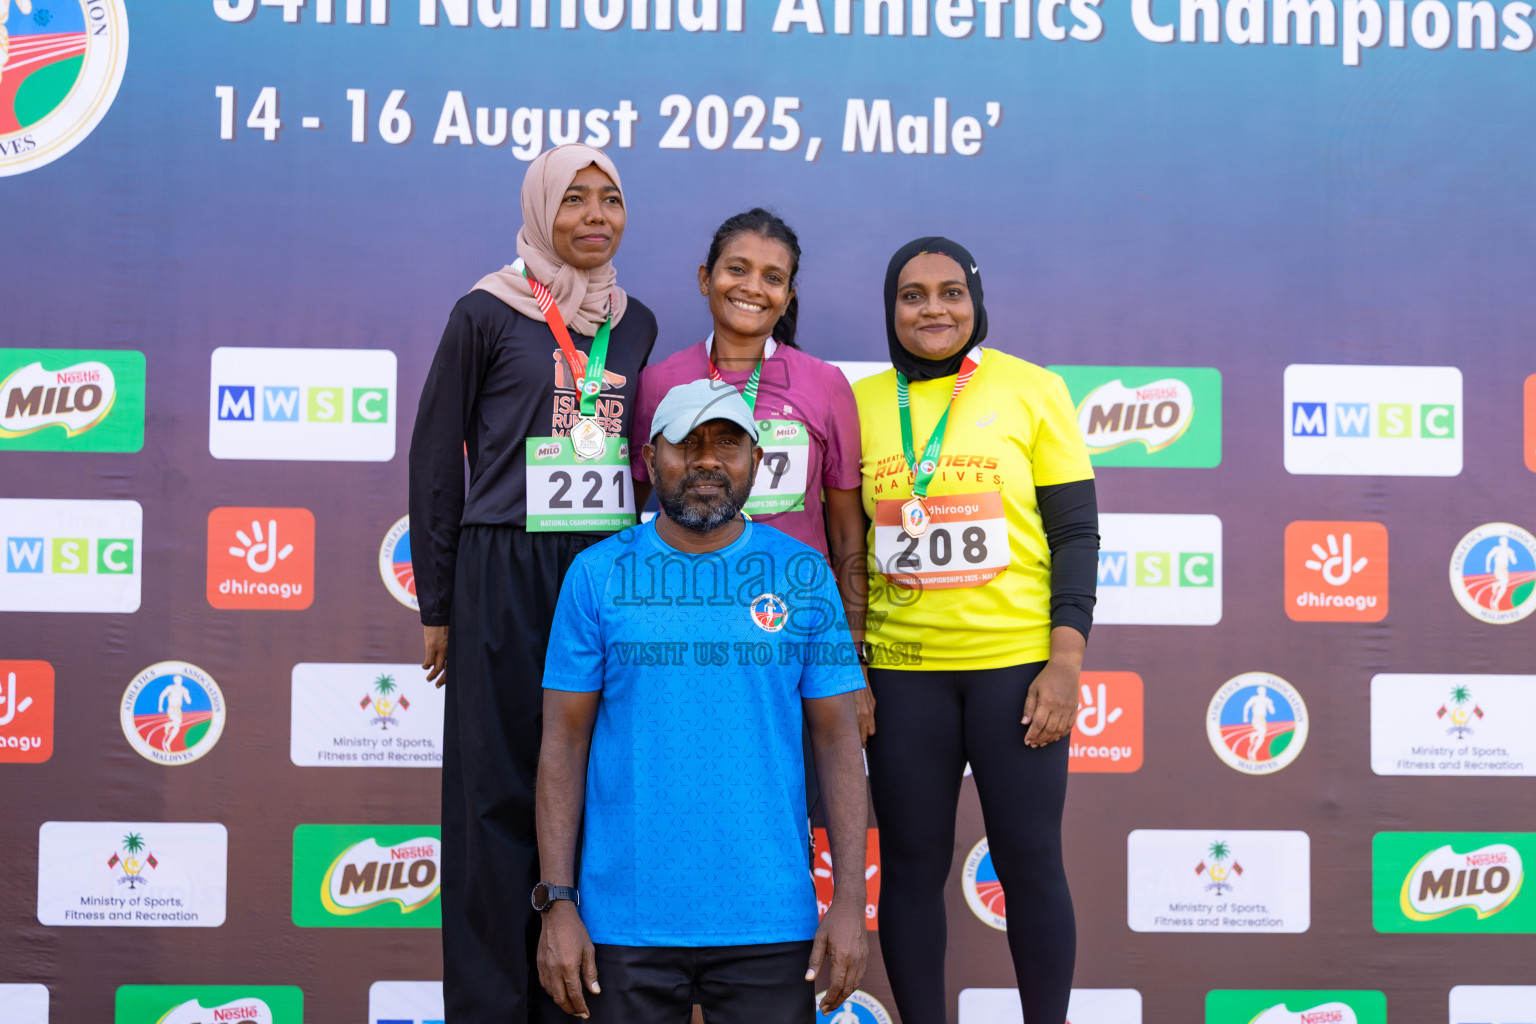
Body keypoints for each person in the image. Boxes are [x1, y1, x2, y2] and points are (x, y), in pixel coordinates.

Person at [408, 144, 658, 1024]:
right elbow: (436, 459)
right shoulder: (486, 310)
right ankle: (490, 1004)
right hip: (505, 566)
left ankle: (573, 1001)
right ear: (540, 209)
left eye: (610, 199)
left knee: (591, 786)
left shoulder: (635, 323)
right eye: (574, 199)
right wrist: (439, 603)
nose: (595, 216)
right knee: (495, 795)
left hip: (603, 573)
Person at [535, 379, 869, 1023]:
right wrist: (558, 902)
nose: (707, 460)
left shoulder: (803, 573)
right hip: (622, 920)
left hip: (769, 916)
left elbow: (837, 739)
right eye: (686, 444)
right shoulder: (597, 574)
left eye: (727, 444)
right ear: (648, 458)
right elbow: (563, 743)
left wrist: (850, 901)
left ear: (757, 462)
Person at [854, 237, 1099, 1024]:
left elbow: (1075, 535)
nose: (933, 309)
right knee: (911, 867)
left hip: (1016, 672)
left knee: (1030, 864)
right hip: (902, 673)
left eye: (951, 292)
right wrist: (854, 668)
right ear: (891, 308)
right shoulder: (858, 404)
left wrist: (1065, 662)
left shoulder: (1032, 389)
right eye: (913, 295)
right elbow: (844, 545)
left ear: (976, 300)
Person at [630, 209, 873, 740]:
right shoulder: (658, 382)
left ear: (787, 296)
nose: (752, 288)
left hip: (794, 625)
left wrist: (850, 655)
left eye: (772, 277)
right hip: (680, 623)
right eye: (737, 269)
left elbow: (846, 533)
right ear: (705, 278)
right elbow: (628, 518)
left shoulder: (825, 385)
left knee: (793, 781)